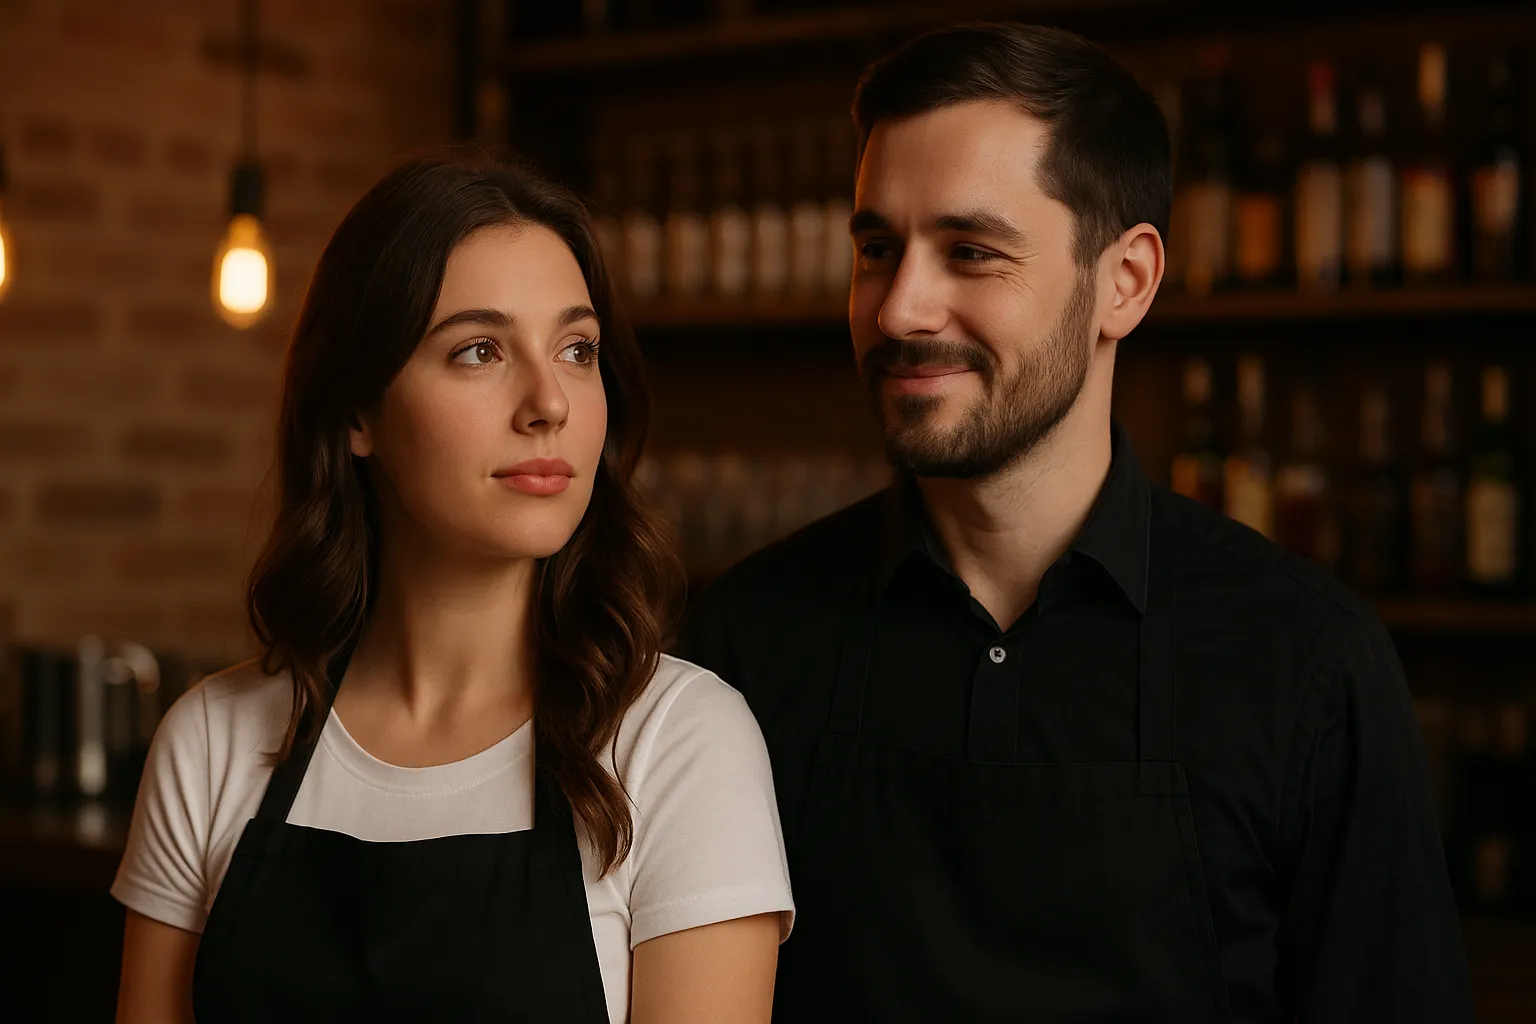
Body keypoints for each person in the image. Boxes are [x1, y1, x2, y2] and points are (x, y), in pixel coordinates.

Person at [676, 22, 1472, 1024]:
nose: (898, 310)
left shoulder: (1307, 659)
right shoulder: (743, 642)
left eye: (970, 252)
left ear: (1124, 282)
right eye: (877, 250)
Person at [113, 152, 793, 1024]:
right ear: (356, 411)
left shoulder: (679, 745)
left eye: (577, 350)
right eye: (480, 350)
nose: (549, 402)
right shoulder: (213, 743)